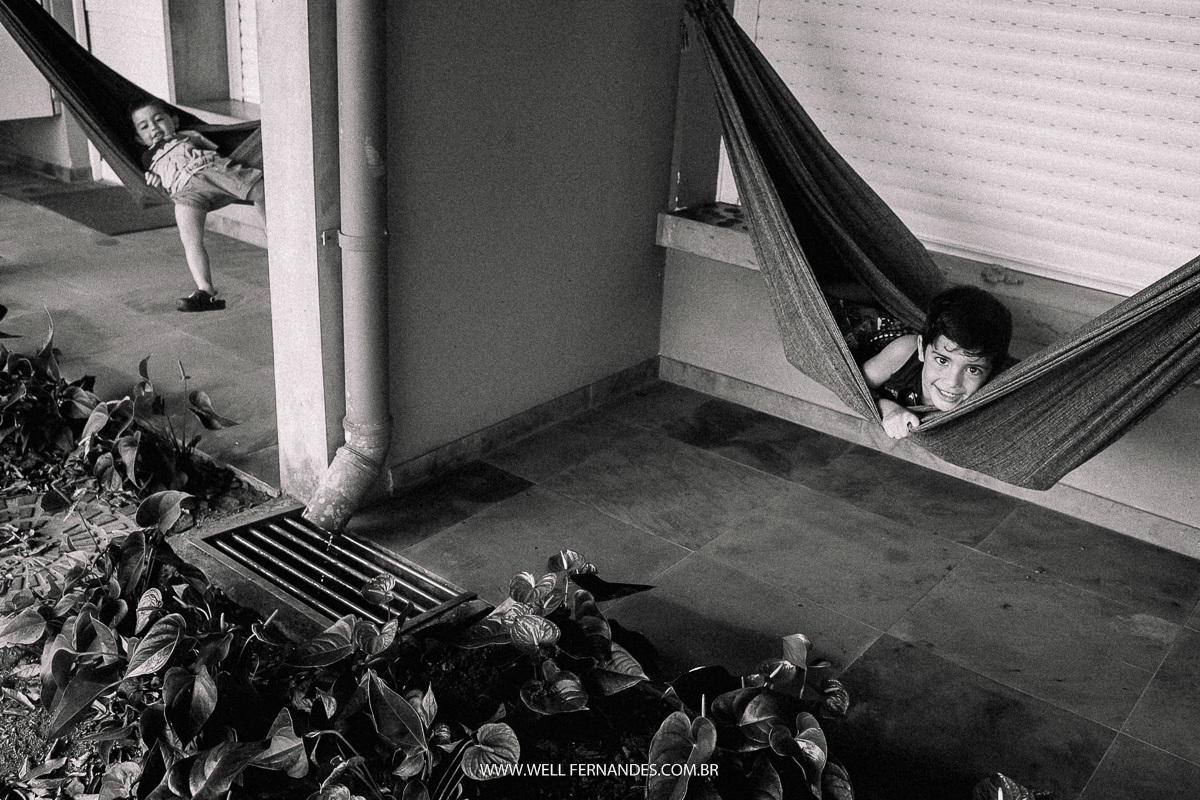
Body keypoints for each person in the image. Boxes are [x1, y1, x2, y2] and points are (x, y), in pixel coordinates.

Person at [131, 99, 265, 312]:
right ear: (139, 138)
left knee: (261, 191)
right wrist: (154, 182)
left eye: (159, 120)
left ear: (174, 121)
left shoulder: (188, 135)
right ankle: (206, 291)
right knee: (190, 240)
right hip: (184, 193)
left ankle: (276, 240)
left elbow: (222, 147)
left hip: (211, 172)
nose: (154, 128)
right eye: (144, 126)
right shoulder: (146, 159)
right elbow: (155, 183)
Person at [862, 285, 1012, 439]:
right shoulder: (905, 351)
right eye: (942, 360)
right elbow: (853, 385)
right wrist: (887, 408)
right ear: (922, 349)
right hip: (873, 332)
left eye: (973, 370)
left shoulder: (996, 385)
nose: (953, 382)